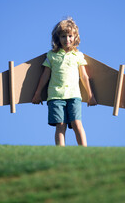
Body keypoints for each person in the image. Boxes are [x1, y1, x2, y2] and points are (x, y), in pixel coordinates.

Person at [32, 18, 97, 147]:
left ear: (75, 37)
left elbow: (84, 76)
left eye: (70, 36)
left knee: (77, 123)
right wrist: (37, 93)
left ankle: (84, 150)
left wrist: (90, 95)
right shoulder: (51, 55)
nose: (67, 39)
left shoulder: (78, 55)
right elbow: (45, 75)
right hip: (56, 96)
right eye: (63, 36)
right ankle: (61, 152)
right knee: (60, 125)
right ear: (58, 38)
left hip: (74, 95)